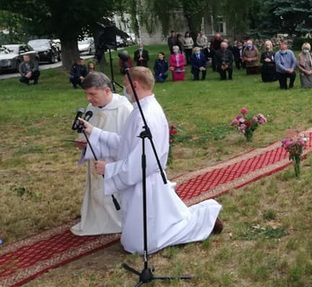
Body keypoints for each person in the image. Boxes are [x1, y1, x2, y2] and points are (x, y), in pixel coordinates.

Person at [80, 67, 223, 254]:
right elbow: (126, 144)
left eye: (126, 85)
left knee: (142, 245)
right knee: (138, 239)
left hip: (146, 184)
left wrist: (110, 168)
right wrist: (95, 132)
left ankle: (205, 219)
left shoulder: (145, 115)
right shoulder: (141, 109)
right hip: (144, 183)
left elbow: (142, 162)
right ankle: (200, 219)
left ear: (136, 84)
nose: (125, 90)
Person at [71, 72, 132, 236]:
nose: (88, 99)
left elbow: (129, 142)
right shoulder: (92, 108)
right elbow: (88, 133)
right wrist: (82, 143)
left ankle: (119, 219)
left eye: (92, 94)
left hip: (115, 163)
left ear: (106, 91)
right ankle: (96, 218)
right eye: (86, 94)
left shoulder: (124, 109)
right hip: (95, 162)